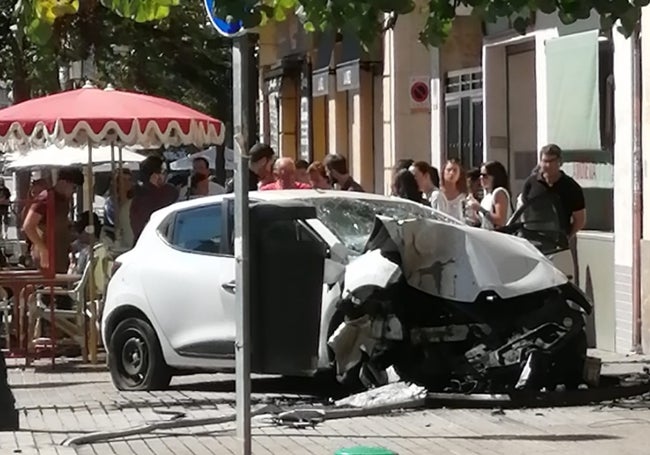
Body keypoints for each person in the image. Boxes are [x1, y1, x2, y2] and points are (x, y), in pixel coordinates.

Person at [22, 167, 84, 273]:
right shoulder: (45, 198)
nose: (73, 192)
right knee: (48, 287)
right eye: (73, 188)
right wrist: (43, 249)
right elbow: (28, 226)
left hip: (61, 254)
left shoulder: (64, 200)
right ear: (64, 182)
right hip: (47, 257)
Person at [520, 144, 586, 238]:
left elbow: (580, 219)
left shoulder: (571, 187)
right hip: (534, 239)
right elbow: (524, 211)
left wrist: (567, 236)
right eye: (545, 161)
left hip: (560, 241)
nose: (548, 165)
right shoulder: (530, 183)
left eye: (552, 161)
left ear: (560, 162)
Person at [130, 156, 179, 243]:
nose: (165, 176)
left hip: (142, 241)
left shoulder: (137, 194)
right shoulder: (165, 193)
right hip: (158, 241)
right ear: (155, 175)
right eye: (163, 172)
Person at [468, 161, 512, 230]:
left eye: (484, 175)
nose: (481, 178)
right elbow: (484, 221)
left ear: (495, 176)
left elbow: (500, 221)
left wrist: (480, 208)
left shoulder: (499, 192)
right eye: (480, 175)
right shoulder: (487, 196)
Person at [102, 169, 135, 249]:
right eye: (123, 180)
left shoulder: (134, 201)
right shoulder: (111, 202)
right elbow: (114, 220)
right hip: (115, 238)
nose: (127, 182)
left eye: (129, 180)